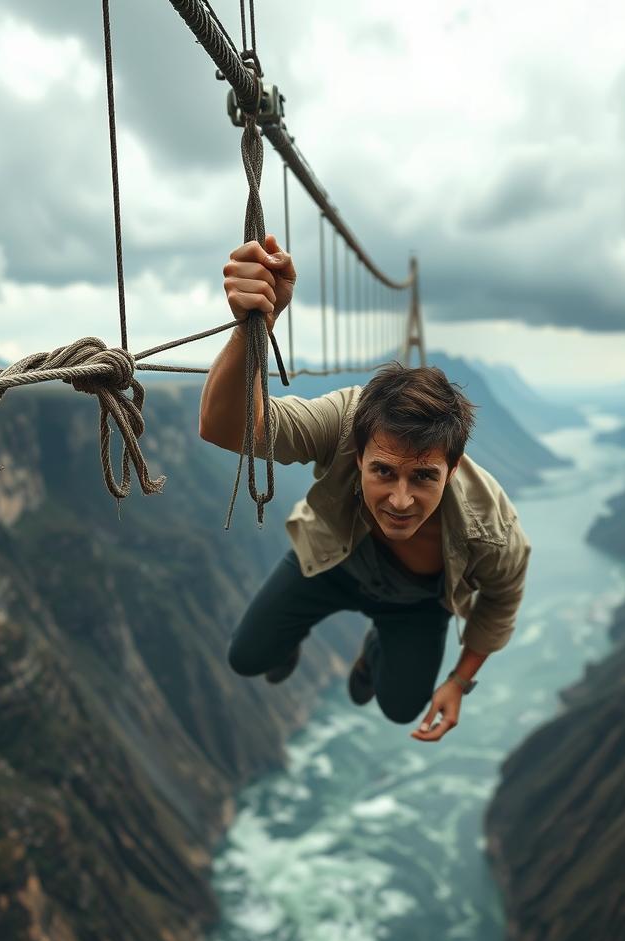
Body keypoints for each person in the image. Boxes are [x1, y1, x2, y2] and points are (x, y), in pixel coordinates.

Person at [198, 235, 531, 743]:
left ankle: (377, 646)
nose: (400, 501)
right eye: (383, 472)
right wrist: (255, 326)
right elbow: (226, 428)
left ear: (454, 466)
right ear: (358, 448)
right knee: (247, 657)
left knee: (400, 709)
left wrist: (460, 681)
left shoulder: (493, 528)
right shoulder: (346, 421)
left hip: (417, 602)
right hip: (331, 561)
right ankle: (287, 640)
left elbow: (501, 601)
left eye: (423, 477)